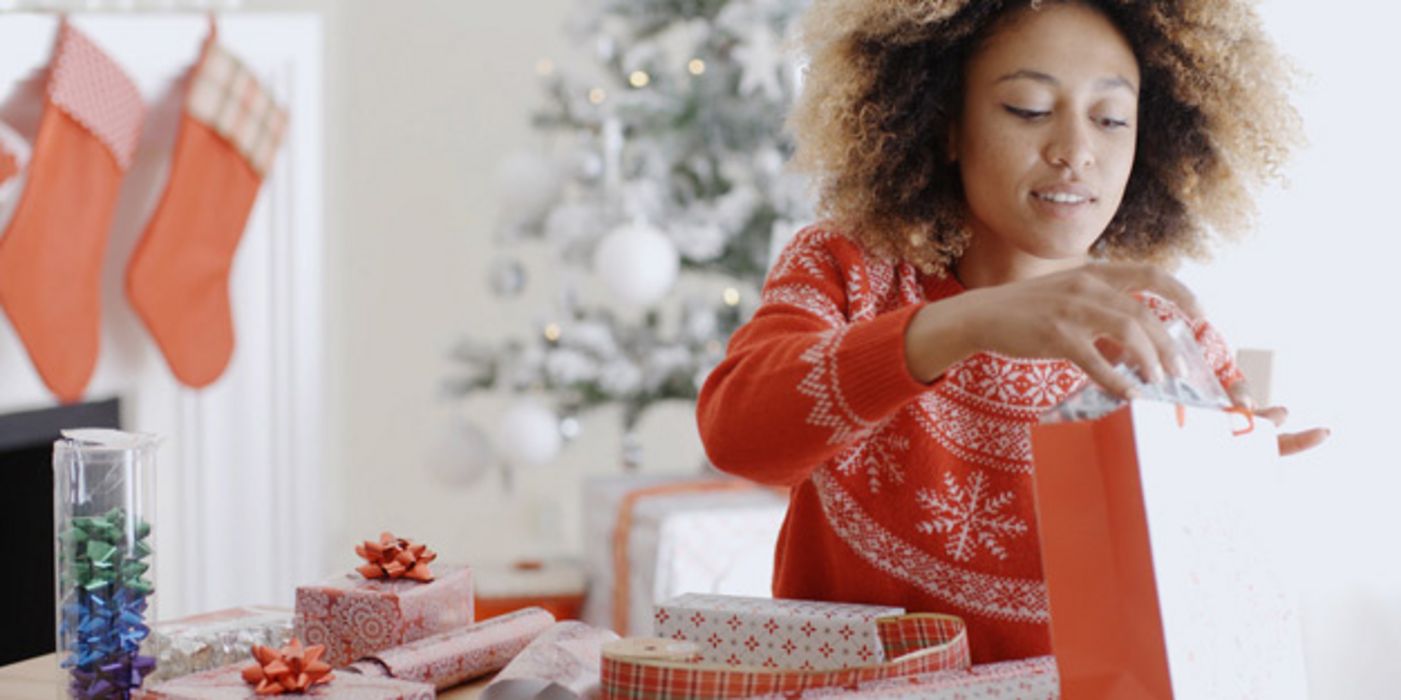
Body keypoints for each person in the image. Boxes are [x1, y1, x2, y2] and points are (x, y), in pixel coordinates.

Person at [695, 0, 1329, 664]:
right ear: (944, 124)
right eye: (1028, 108)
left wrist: (1225, 493)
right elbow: (738, 438)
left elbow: (1185, 631)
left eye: (1111, 120)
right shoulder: (849, 270)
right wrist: (964, 324)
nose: (1075, 152)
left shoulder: (1161, 334)